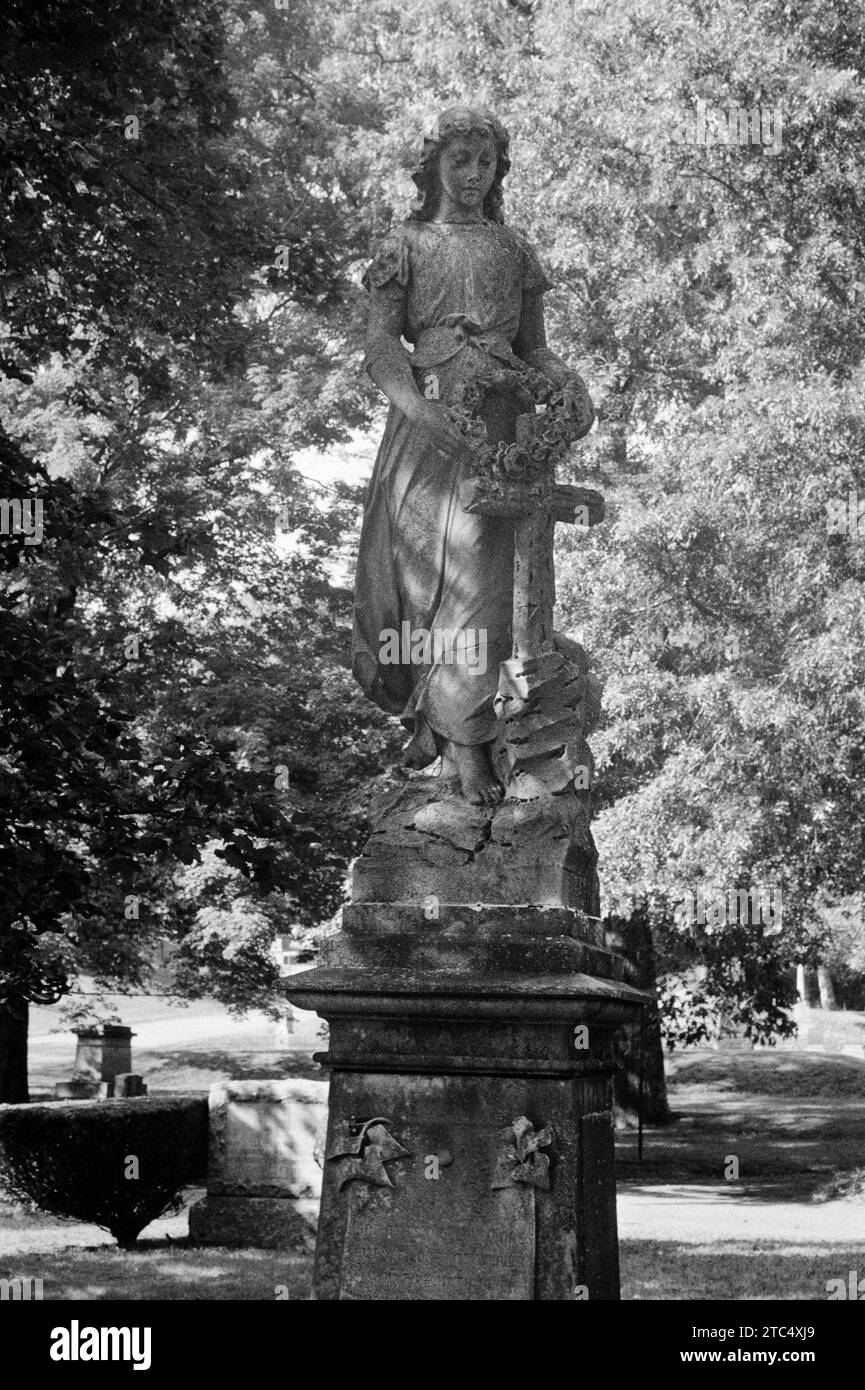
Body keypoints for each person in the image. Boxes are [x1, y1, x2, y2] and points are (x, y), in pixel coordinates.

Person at [352, 105, 594, 807]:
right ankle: (445, 735)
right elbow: (378, 349)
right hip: (428, 429)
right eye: (458, 160)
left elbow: (535, 351)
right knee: (425, 582)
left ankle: (471, 742)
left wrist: (567, 387)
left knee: (488, 582)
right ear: (433, 167)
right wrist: (420, 408)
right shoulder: (404, 244)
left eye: (484, 162)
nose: (471, 174)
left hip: (503, 430)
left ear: (498, 170)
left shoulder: (513, 249)